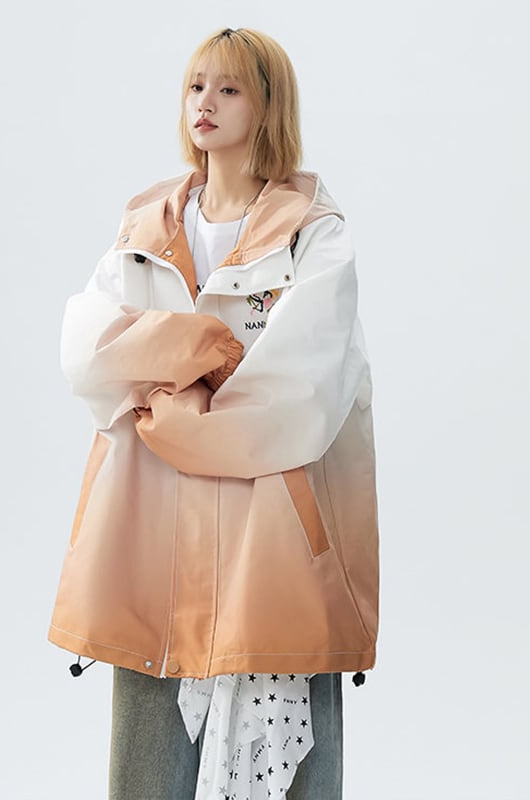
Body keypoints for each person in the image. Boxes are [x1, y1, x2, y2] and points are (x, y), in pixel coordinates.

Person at [49, 26, 379, 800]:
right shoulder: (144, 228)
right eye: (197, 85)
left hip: (275, 542)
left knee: (298, 773)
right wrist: (204, 345)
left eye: (229, 88)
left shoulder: (314, 236)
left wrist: (169, 398)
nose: (206, 102)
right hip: (150, 541)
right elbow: (89, 354)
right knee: (144, 774)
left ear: (268, 107)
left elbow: (300, 393)